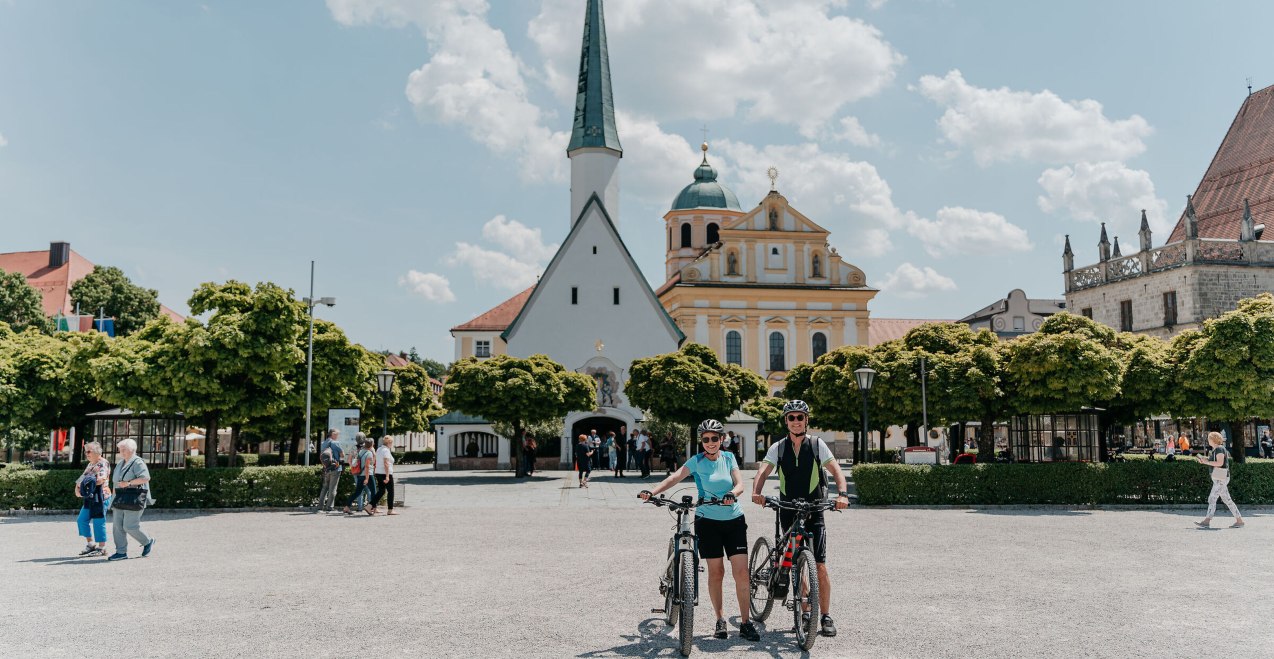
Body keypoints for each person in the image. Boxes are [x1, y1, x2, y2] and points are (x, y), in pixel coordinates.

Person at [638, 419, 760, 642]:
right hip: (707, 520)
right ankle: (720, 620)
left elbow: (740, 484)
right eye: (706, 439)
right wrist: (652, 492)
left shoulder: (729, 457)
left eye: (715, 438)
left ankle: (745, 623)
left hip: (733, 519)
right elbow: (675, 477)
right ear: (702, 442)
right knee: (716, 572)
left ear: (722, 440)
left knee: (741, 573)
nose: (711, 442)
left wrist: (733, 493)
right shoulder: (697, 461)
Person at [750, 400, 850, 637]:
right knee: (795, 561)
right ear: (786, 421)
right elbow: (763, 471)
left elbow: (836, 470)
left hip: (815, 509)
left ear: (806, 420)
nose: (796, 421)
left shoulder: (817, 445)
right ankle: (805, 611)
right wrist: (757, 492)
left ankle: (825, 615)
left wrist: (842, 494)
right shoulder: (779, 447)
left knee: (820, 564)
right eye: (791, 417)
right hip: (787, 508)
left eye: (800, 417)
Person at [108, 439, 155, 560]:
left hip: (133, 499)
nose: (121, 452)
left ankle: (147, 541)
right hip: (119, 499)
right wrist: (112, 500)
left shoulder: (137, 462)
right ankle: (121, 552)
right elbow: (115, 483)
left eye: (124, 450)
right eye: (120, 450)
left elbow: (145, 478)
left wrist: (128, 483)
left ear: (132, 450)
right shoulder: (120, 463)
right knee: (117, 526)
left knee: (129, 526)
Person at [1195, 431, 1244, 529]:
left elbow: (1219, 463)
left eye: (1209, 438)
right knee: (1227, 500)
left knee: (1212, 498)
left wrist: (1206, 462)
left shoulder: (1219, 449)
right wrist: (1205, 461)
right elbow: (1216, 462)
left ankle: (1207, 521)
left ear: (1213, 439)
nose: (1208, 440)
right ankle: (1239, 521)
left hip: (1220, 477)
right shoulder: (1217, 449)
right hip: (1220, 476)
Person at [74, 441, 112, 557]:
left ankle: (102, 547)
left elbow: (101, 479)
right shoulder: (90, 464)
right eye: (85, 452)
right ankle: (91, 544)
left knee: (98, 521)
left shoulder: (103, 463)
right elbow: (82, 478)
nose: (86, 454)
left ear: (97, 451)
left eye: (88, 451)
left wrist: (87, 484)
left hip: (101, 496)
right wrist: (77, 488)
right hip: (90, 497)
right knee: (81, 520)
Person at [342, 435, 375, 515]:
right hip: (368, 475)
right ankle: (371, 507)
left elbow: (354, 461)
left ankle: (347, 506)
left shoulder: (360, 452)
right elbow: (367, 466)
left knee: (357, 492)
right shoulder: (369, 453)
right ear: (371, 445)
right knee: (374, 492)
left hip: (360, 474)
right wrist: (367, 478)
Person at [367, 436, 396, 516]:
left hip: (378, 472)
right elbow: (386, 463)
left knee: (381, 491)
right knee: (390, 491)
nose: (392, 444)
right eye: (391, 443)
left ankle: (369, 506)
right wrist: (387, 476)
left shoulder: (379, 449)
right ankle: (390, 509)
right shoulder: (386, 451)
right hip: (385, 473)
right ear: (389, 443)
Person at [317, 429, 344, 512]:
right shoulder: (335, 443)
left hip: (326, 468)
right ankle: (330, 507)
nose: (337, 436)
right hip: (335, 468)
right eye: (337, 434)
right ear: (332, 434)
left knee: (324, 487)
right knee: (333, 488)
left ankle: (320, 507)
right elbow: (342, 454)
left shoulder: (323, 443)